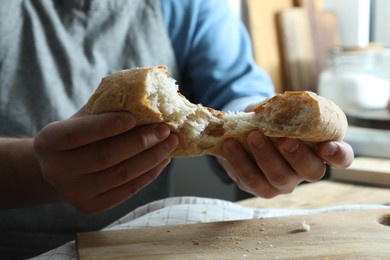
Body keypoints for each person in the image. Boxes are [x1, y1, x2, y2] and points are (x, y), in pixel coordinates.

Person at [0, 0, 354, 258]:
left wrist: (258, 135)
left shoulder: (190, 6)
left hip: (146, 247)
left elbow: (236, 88)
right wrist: (30, 167)